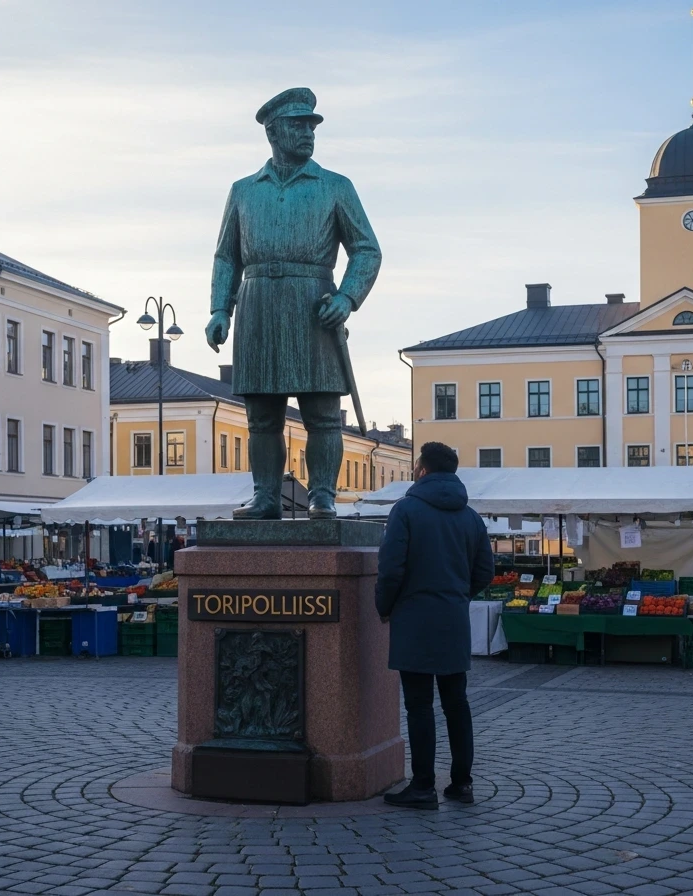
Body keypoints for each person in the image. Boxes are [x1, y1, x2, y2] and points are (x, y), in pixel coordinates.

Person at [205, 87, 382, 520]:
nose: (308, 133)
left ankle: (322, 494)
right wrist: (218, 309)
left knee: (322, 413)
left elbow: (367, 250)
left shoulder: (335, 186)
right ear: (273, 131)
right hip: (258, 307)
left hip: (313, 307)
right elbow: (227, 254)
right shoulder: (244, 191)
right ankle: (266, 496)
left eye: (311, 125)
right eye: (298, 125)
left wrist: (347, 297)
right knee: (261, 417)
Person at [376, 442, 494, 809]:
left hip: (414, 619)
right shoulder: (471, 516)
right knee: (456, 705)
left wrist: (385, 607)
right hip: (453, 620)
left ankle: (423, 786)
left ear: (422, 470)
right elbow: (485, 572)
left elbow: (391, 569)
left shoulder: (406, 510)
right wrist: (458, 595)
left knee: (419, 706)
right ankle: (462, 784)